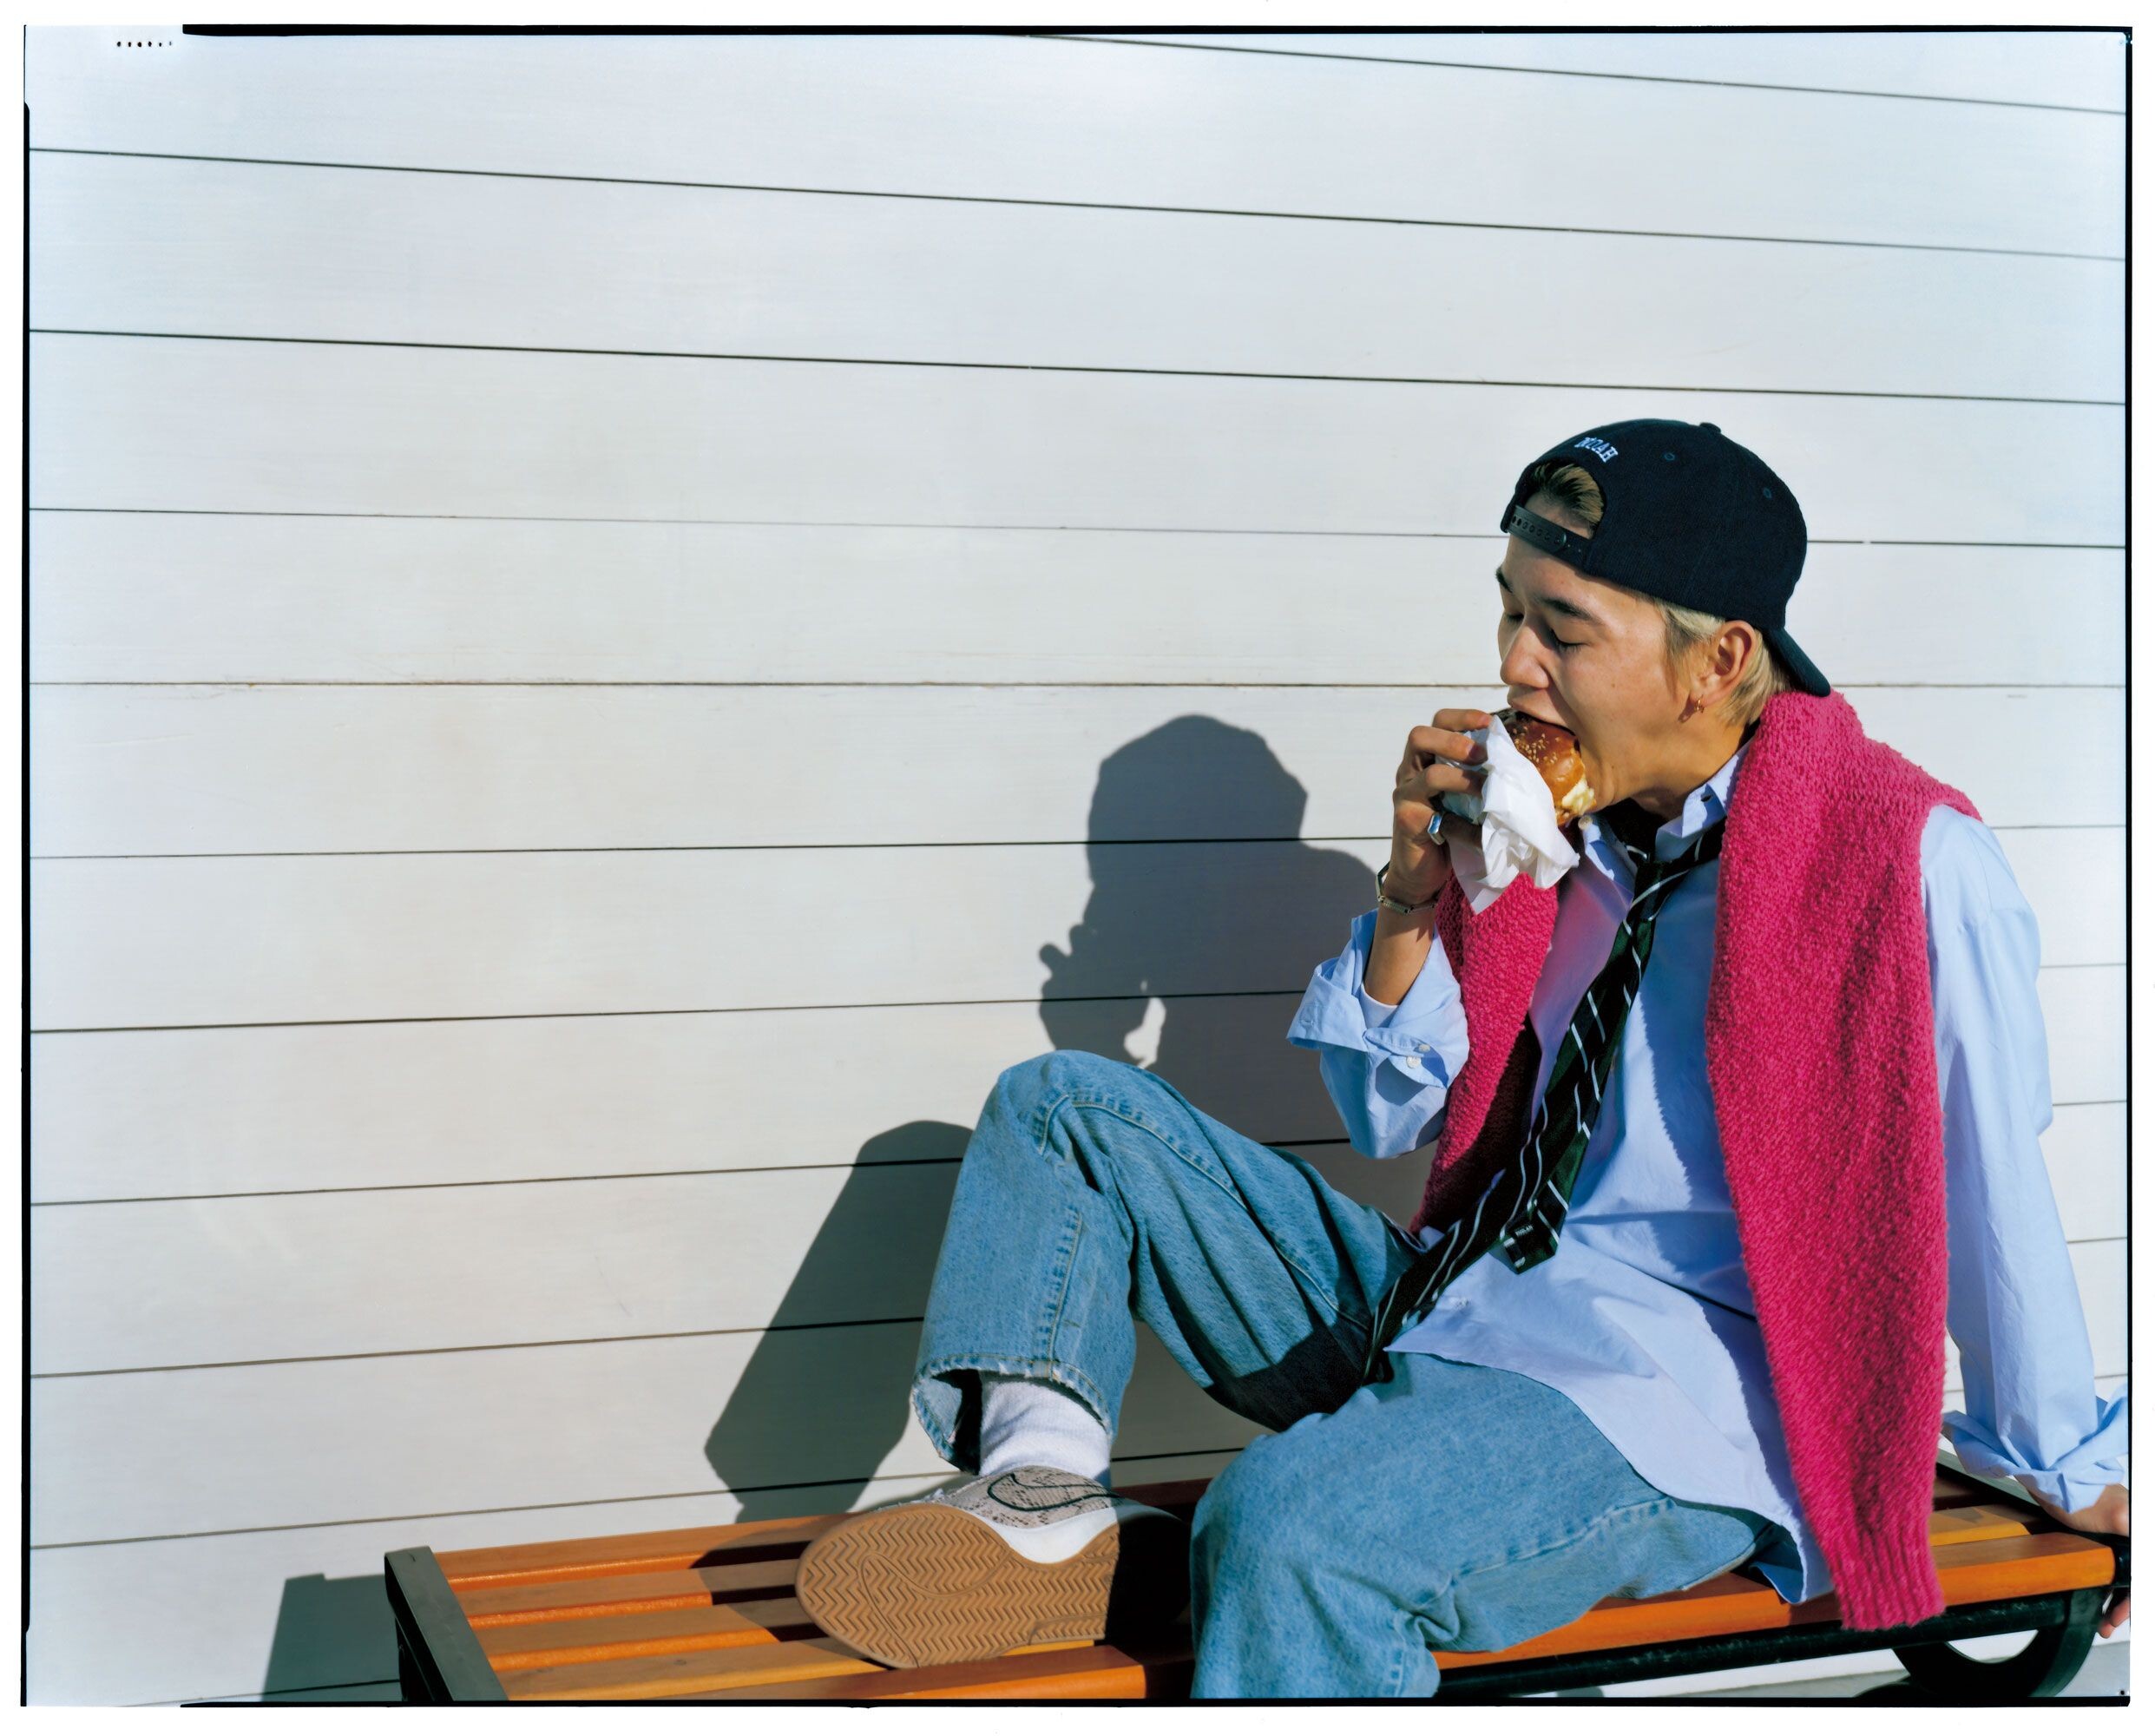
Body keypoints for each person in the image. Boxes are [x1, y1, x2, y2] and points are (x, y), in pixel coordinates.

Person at [792, 418, 2129, 1699]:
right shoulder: (1552, 835)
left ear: (1717, 661)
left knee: (1293, 1530)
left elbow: (1988, 1191)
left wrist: (2064, 1469)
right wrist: (1412, 898)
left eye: (1564, 630)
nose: (1517, 666)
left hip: (1669, 1396)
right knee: (1066, 1108)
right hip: (1463, 1298)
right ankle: (1042, 1500)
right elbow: (1392, 1117)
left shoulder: (1908, 861)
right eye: (1508, 612)